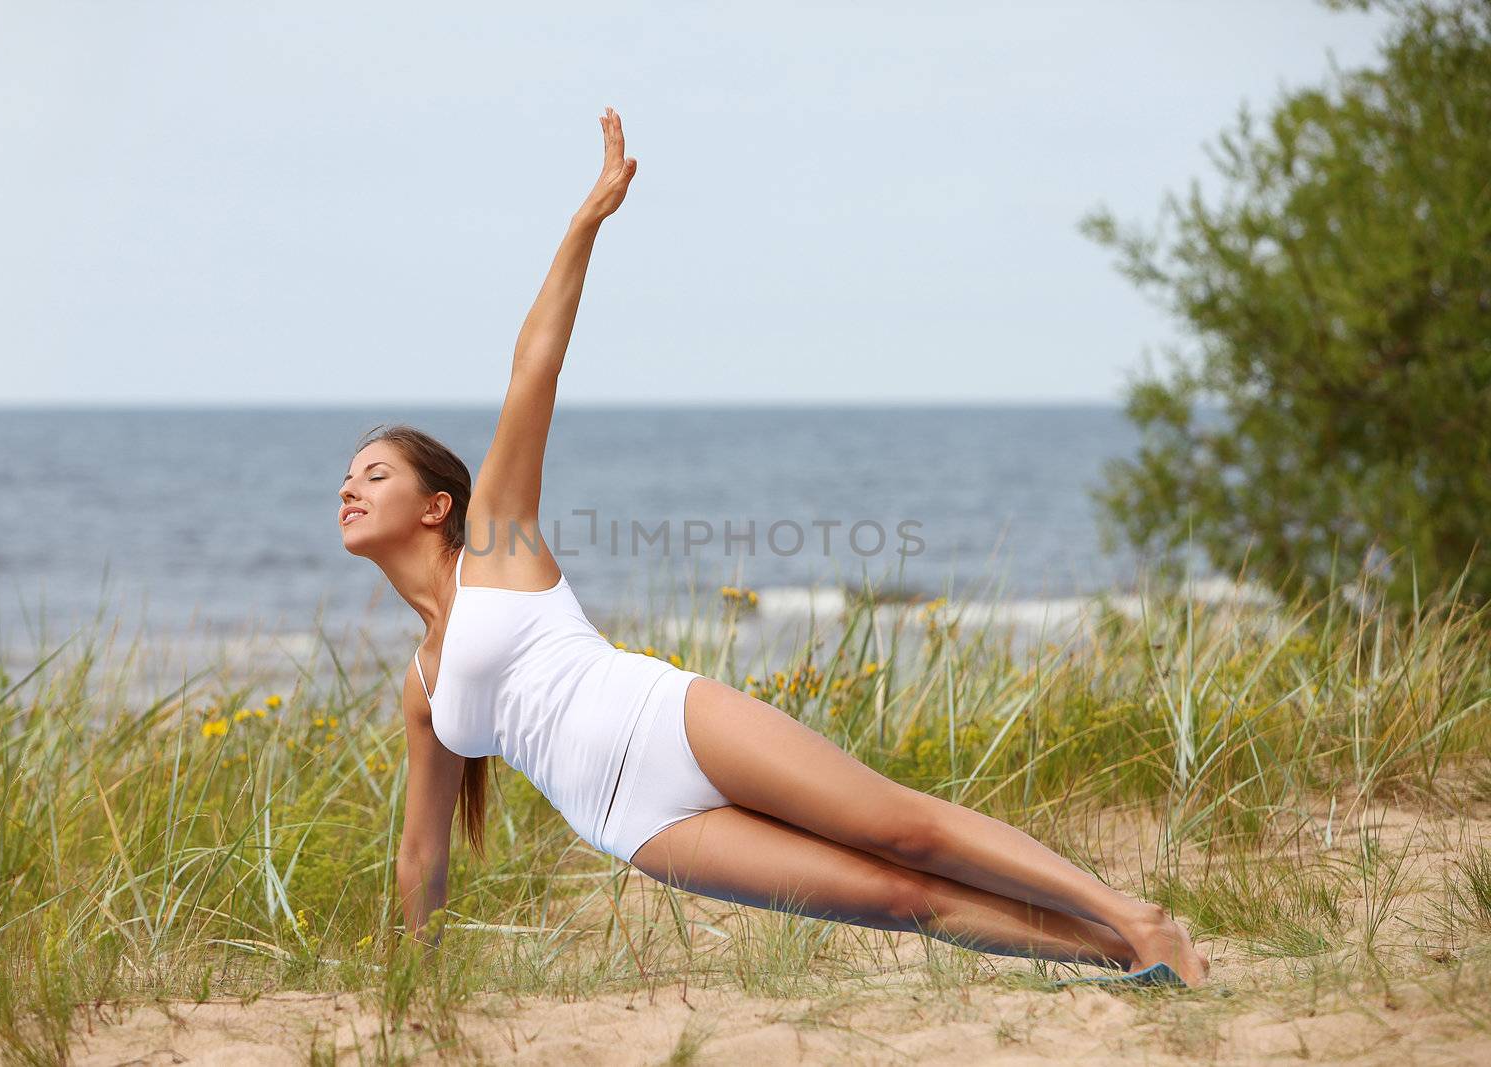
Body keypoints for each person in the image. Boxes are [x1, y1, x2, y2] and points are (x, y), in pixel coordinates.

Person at [338, 106, 1209, 986]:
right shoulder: (422, 686)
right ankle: (1129, 957)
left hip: (666, 720)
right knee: (898, 897)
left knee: (903, 829)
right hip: (636, 825)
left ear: (436, 504)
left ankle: (1136, 914)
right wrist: (424, 986)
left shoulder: (497, 541)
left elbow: (535, 365)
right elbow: (422, 857)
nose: (350, 487)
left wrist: (583, 223)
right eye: (349, 477)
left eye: (374, 473)